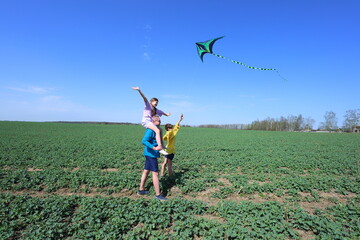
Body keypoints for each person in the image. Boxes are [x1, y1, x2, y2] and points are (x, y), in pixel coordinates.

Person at [132, 86, 170, 155]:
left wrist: (167, 114)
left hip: (150, 122)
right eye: (155, 102)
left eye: (157, 103)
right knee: (157, 130)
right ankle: (160, 147)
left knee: (161, 130)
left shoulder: (156, 110)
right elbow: (144, 98)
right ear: (151, 102)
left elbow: (162, 112)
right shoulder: (148, 106)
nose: (156, 103)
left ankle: (162, 144)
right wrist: (139, 90)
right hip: (145, 121)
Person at [138, 115, 168, 201]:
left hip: (150, 153)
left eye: (160, 121)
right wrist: (154, 148)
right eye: (158, 121)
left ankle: (141, 190)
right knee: (155, 173)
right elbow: (144, 140)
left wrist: (162, 146)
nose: (160, 122)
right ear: (153, 121)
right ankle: (158, 195)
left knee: (146, 171)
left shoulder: (156, 130)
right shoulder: (151, 130)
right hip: (151, 154)